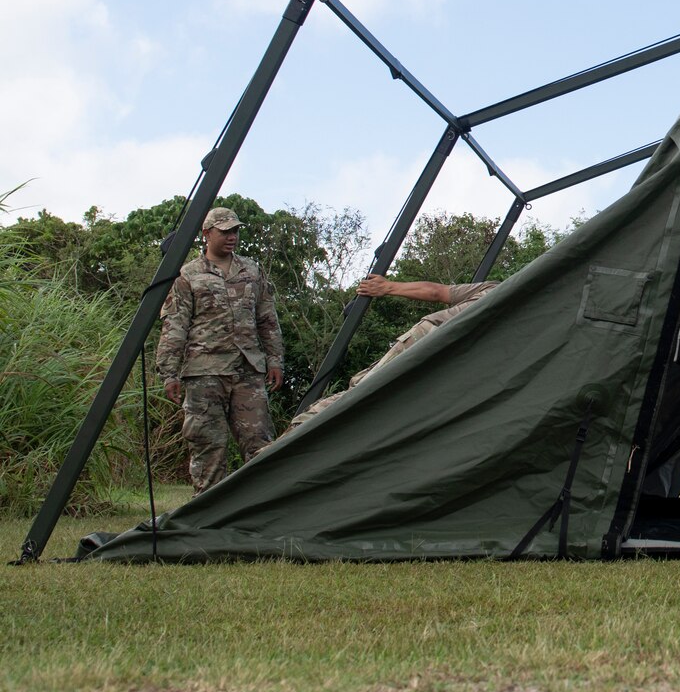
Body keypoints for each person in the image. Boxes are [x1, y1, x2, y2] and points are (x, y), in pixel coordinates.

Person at [156, 207, 282, 494]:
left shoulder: (251, 270)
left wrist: (275, 360)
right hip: (204, 372)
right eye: (225, 231)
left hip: (248, 370)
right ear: (207, 234)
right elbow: (175, 326)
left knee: (260, 443)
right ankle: (205, 516)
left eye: (235, 230)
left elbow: (267, 318)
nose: (232, 237)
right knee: (207, 445)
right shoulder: (187, 275)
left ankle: (262, 508)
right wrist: (169, 373)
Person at [286, 274, 498, 428]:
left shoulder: (495, 288)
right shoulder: (502, 293)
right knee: (365, 390)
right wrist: (387, 287)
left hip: (434, 344)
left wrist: (388, 287)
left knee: (370, 391)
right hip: (434, 343)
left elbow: (438, 292)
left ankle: (306, 426)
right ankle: (302, 427)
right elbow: (438, 292)